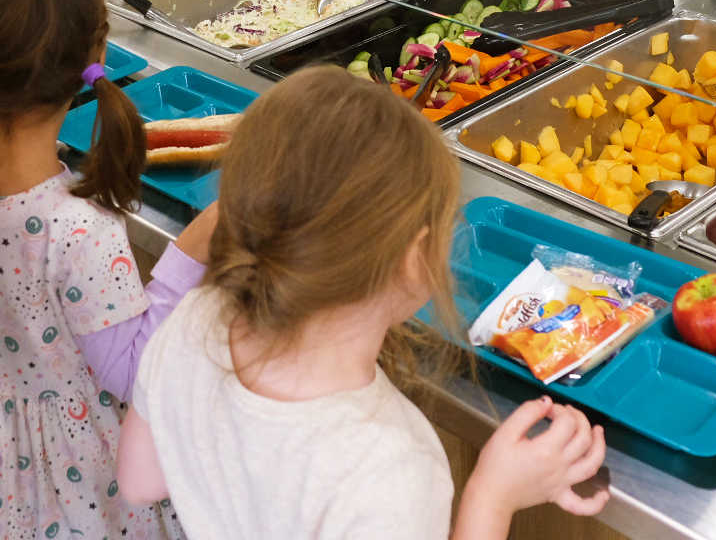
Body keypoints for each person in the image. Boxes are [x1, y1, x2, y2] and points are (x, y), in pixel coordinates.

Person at [117, 68, 609, 540]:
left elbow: (140, 480)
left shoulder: (195, 319)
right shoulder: (391, 464)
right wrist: (493, 495)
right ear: (416, 258)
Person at [0, 0, 215, 540]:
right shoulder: (78, 225)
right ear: (100, 56)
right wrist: (191, 251)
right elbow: (133, 374)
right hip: (81, 479)